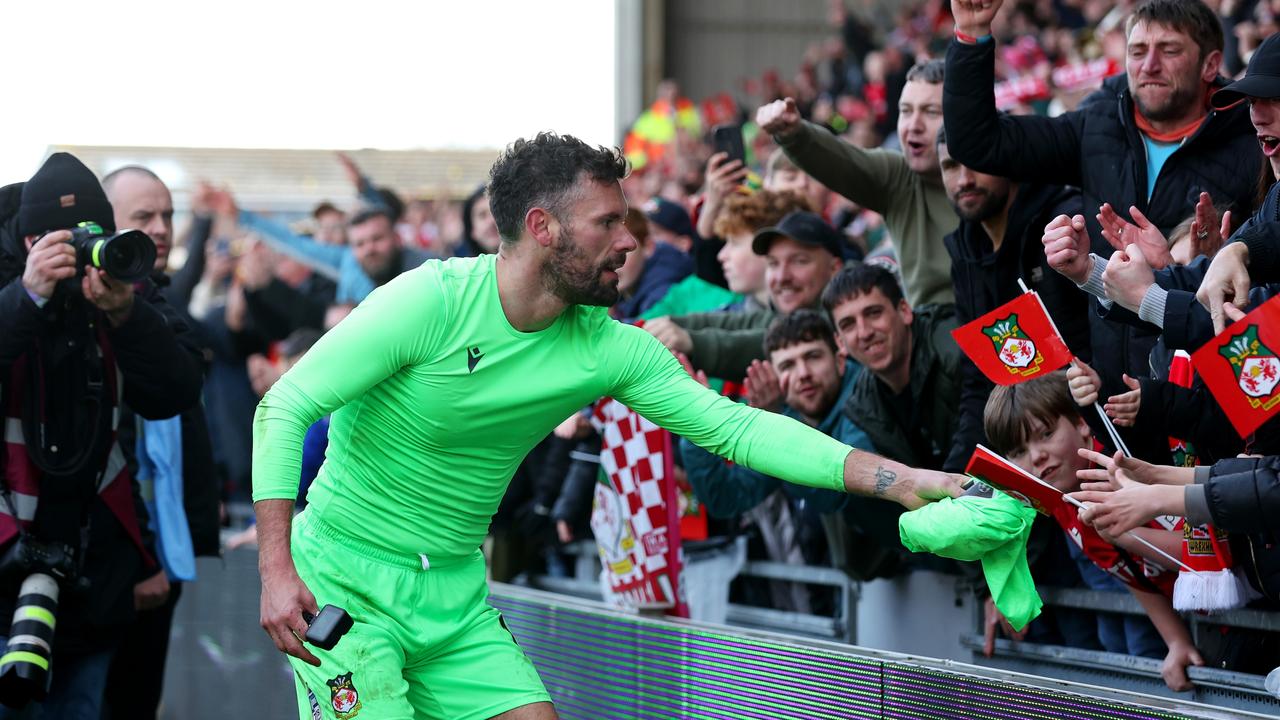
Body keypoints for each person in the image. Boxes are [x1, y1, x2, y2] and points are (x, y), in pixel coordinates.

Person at [252, 132, 964, 720]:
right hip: (341, 584)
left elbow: (738, 429)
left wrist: (898, 481)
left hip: (455, 596)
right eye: (608, 223)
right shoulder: (429, 302)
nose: (629, 240)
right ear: (542, 227)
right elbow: (284, 407)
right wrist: (277, 571)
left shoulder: (609, 346)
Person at [947, 0, 1259, 459]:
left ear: (1211, 63)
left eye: (1169, 50)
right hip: (1116, 411)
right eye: (1137, 51)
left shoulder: (1253, 142)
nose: (1148, 65)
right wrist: (972, 35)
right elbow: (980, 143)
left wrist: (1215, 256)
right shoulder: (1097, 125)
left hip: (1215, 412)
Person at [0, 153, 203, 715]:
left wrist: (125, 314)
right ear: (29, 238)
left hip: (94, 574)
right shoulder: (8, 283)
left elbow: (178, 389)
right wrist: (28, 296)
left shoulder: (125, 290)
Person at [983, 372, 1202, 691]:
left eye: (1046, 433)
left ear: (1081, 422)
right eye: (1018, 452)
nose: (1036, 456)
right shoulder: (1058, 494)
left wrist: (1125, 535)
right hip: (1184, 613)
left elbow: (1212, 556)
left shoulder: (1125, 461)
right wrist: (1176, 641)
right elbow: (1129, 573)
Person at [99, 166, 222, 720]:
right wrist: (146, 557)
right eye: (143, 217)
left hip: (158, 560)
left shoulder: (154, 298)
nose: (160, 228)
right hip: (130, 564)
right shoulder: (108, 309)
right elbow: (127, 449)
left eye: (168, 215)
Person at [938, 128, 1092, 471]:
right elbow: (979, 381)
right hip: (1032, 456)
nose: (964, 179)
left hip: (1099, 430)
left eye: (975, 163)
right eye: (950, 166)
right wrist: (953, 478)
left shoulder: (1062, 220)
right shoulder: (964, 254)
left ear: (1003, 155)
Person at [758, 59, 958, 308]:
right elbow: (844, 162)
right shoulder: (900, 177)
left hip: (1005, 336)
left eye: (931, 112)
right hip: (935, 339)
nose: (913, 126)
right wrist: (793, 134)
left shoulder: (1000, 176)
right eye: (906, 111)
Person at [645, 209, 846, 380]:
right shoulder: (786, 311)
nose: (782, 276)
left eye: (799, 261)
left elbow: (766, 341)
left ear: (834, 268)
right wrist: (666, 326)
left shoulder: (844, 315)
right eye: (774, 263)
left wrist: (691, 342)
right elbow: (742, 322)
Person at [821, 262, 967, 471]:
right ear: (840, 343)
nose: (864, 332)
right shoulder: (862, 404)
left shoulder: (954, 350)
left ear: (905, 311)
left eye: (873, 313)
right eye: (848, 324)